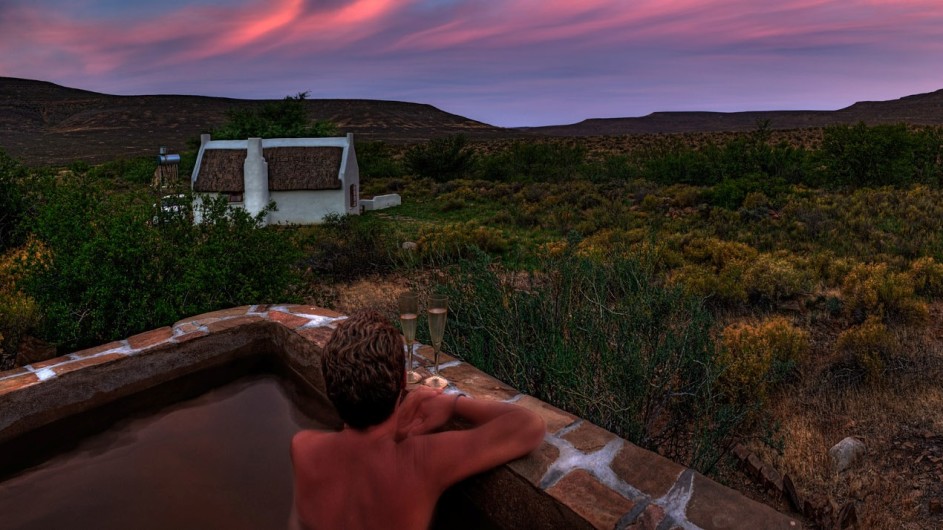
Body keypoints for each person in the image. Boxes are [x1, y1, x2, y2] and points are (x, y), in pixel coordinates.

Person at [289, 309, 546, 530]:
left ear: (329, 385)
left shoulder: (303, 448)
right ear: (403, 382)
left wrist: (396, 427)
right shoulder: (419, 462)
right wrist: (453, 403)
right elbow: (528, 426)